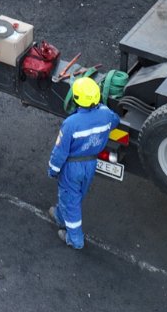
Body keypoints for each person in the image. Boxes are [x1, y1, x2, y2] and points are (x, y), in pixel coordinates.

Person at [47, 77, 119, 250]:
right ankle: (60, 215)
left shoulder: (71, 124)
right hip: (90, 164)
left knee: (71, 200)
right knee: (76, 195)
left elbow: (60, 152)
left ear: (77, 99)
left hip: (72, 167)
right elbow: (115, 121)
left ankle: (75, 239)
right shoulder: (106, 114)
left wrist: (53, 170)